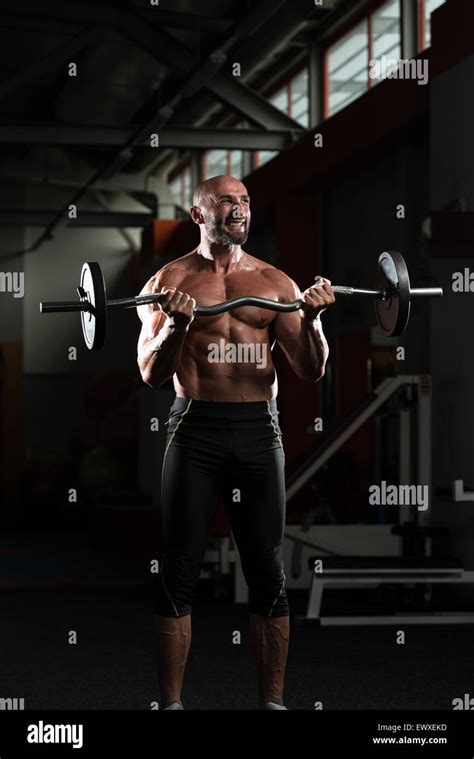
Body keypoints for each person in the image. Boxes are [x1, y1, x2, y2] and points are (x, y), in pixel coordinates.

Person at [137, 175, 335, 710]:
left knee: (267, 566)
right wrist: (174, 327)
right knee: (178, 565)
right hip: (193, 428)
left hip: (257, 430)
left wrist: (312, 320)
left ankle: (272, 704)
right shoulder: (167, 281)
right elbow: (152, 376)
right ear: (199, 215)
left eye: (244, 201)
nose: (239, 208)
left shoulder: (276, 284)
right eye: (226, 201)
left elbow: (310, 370)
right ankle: (172, 705)